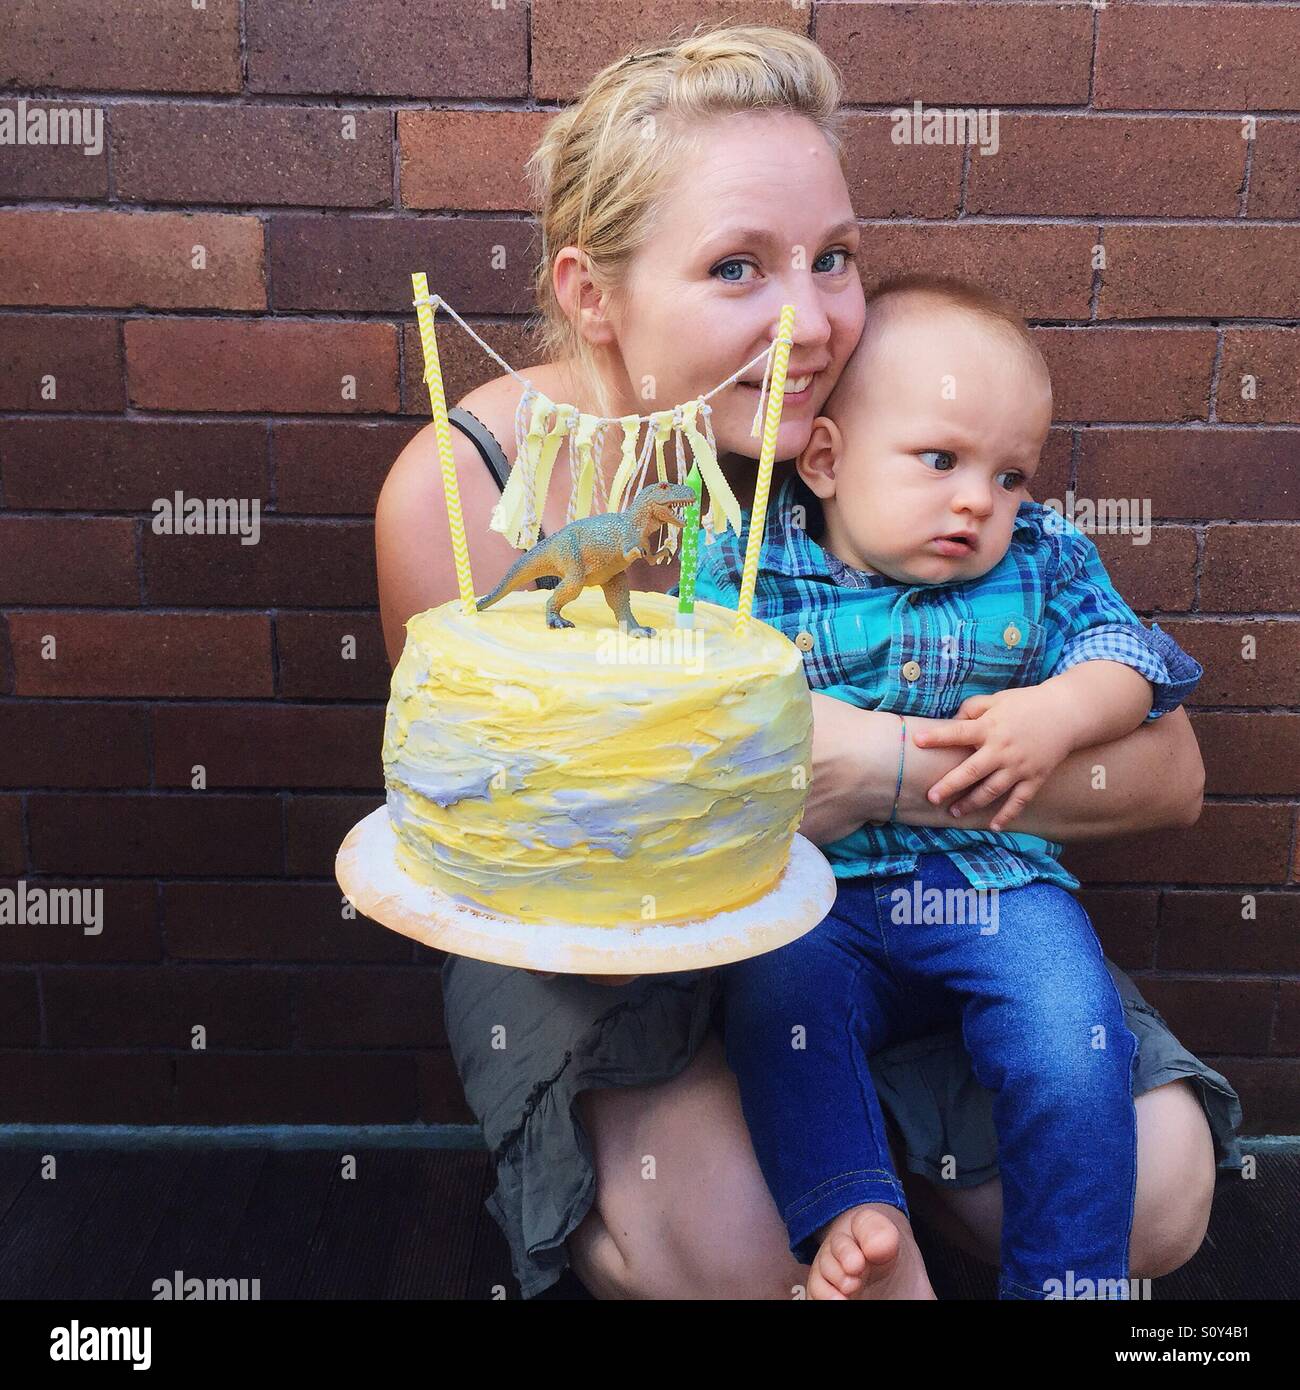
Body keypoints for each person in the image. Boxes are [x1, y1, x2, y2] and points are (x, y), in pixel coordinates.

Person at [375, 24, 1240, 1300]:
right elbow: (506, 827)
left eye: (832, 257)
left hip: (901, 909)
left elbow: (1167, 774)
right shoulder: (473, 491)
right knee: (744, 1251)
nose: (815, 318)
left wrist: (875, 770)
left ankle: (888, 1152)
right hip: (613, 957)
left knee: (1157, 1193)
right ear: (591, 293)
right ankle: (780, 1188)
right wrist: (776, 782)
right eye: (736, 266)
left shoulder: (876, 434)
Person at [694, 271, 1230, 1300]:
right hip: (816, 894)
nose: (979, 499)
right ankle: (850, 1209)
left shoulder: (1037, 562)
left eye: (1011, 473)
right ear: (827, 458)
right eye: (939, 459)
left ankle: (1070, 1280)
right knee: (778, 1001)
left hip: (992, 885)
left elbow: (1130, 650)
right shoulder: (750, 570)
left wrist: (1062, 711)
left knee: (1071, 1030)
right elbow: (691, 694)